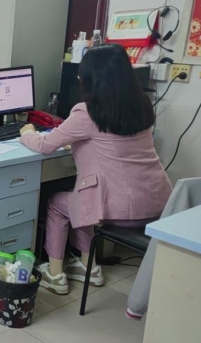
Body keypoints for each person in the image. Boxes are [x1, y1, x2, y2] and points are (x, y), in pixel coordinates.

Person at [18, 44, 172, 296]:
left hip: (119, 209)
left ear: (91, 77)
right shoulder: (141, 106)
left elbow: (44, 145)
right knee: (82, 199)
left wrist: (27, 132)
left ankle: (55, 274)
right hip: (157, 203)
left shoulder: (87, 112)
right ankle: (89, 267)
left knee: (60, 204)